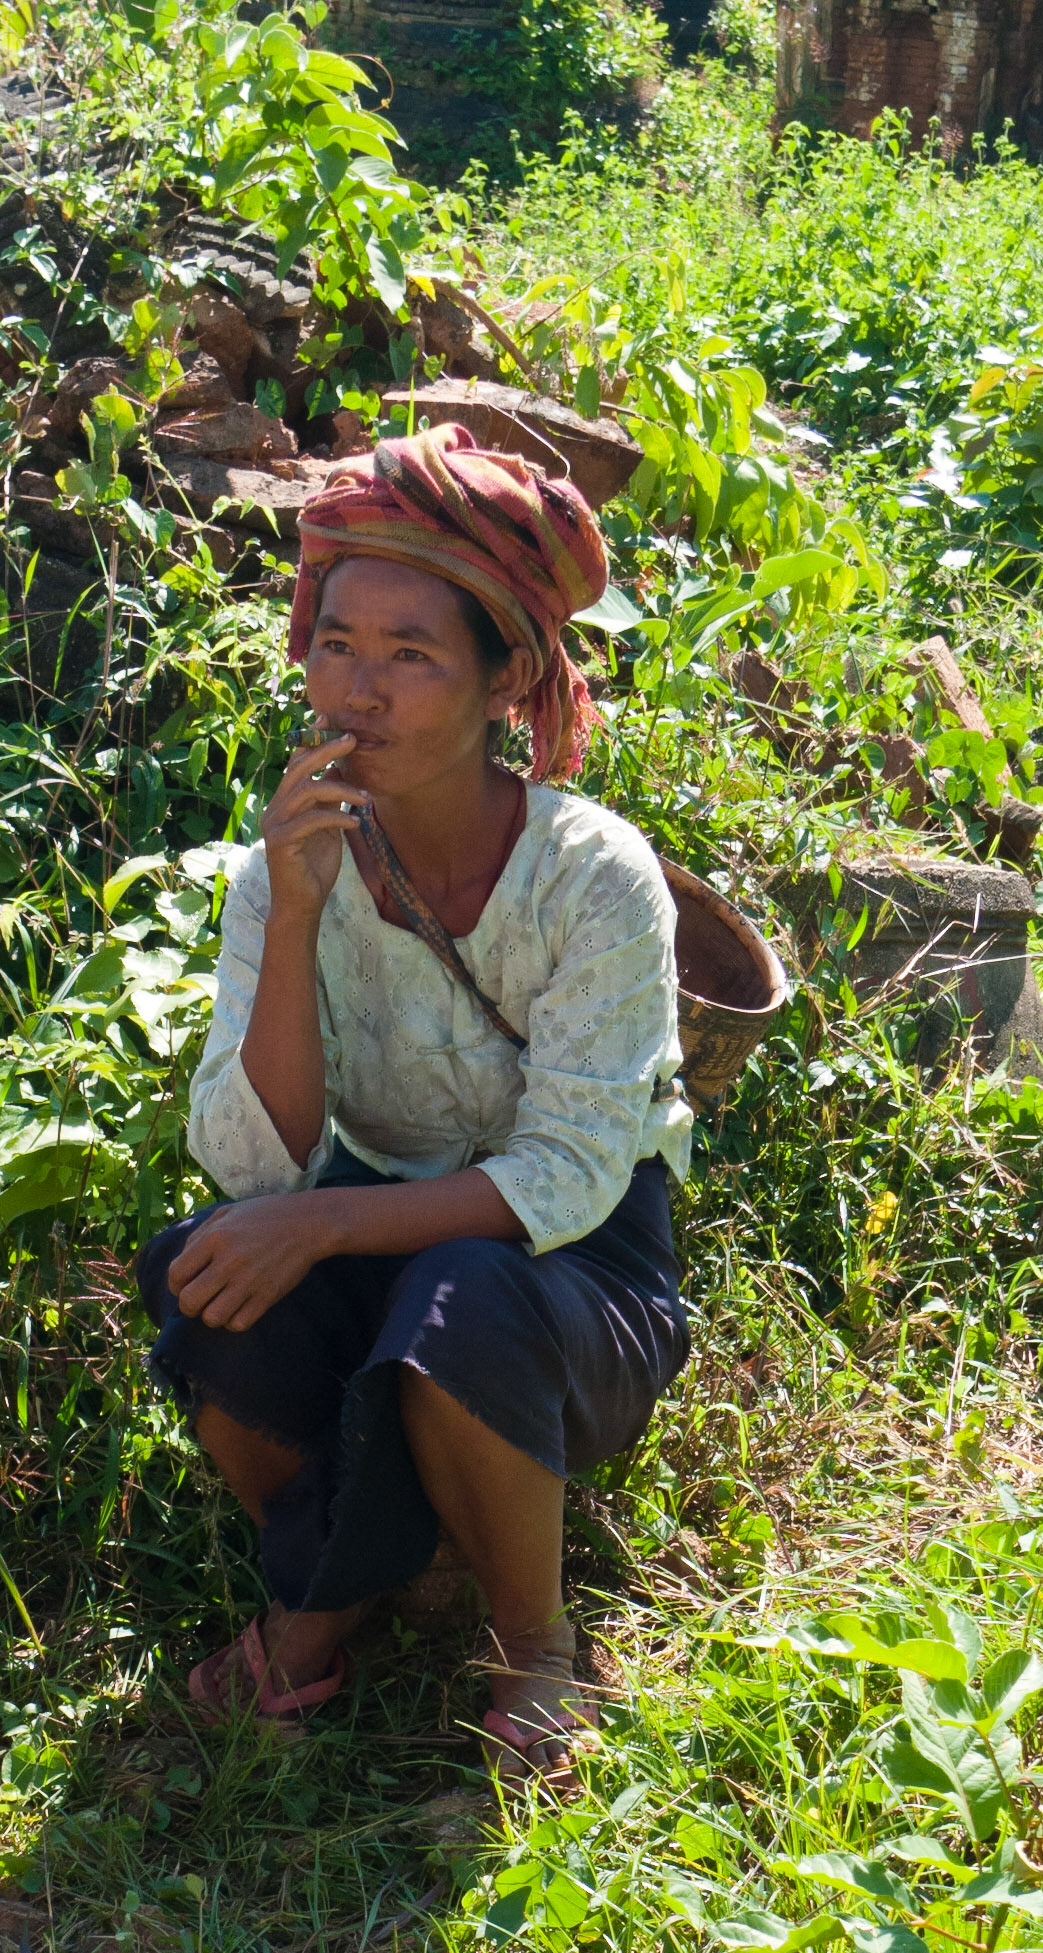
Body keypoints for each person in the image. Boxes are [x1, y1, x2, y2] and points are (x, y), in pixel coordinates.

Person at [136, 424, 693, 1793]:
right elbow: (248, 1162)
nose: (356, 690)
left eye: (411, 654)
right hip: (378, 1221)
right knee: (205, 1278)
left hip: (577, 1271)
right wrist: (302, 906)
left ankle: (534, 1643)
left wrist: (325, 1225)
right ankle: (349, 1573)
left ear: (507, 680)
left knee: (459, 1297)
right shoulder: (291, 861)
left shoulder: (592, 876)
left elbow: (566, 1180)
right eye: (335, 642)